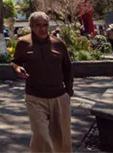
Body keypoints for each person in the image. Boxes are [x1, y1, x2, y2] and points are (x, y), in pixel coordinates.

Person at [12, 12, 73, 153]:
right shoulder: (23, 43)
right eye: (38, 25)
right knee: (41, 136)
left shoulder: (58, 44)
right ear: (31, 26)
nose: (43, 29)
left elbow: (67, 67)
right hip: (35, 97)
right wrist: (17, 68)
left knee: (62, 138)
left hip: (59, 96)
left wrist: (68, 91)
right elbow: (15, 61)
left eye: (45, 25)